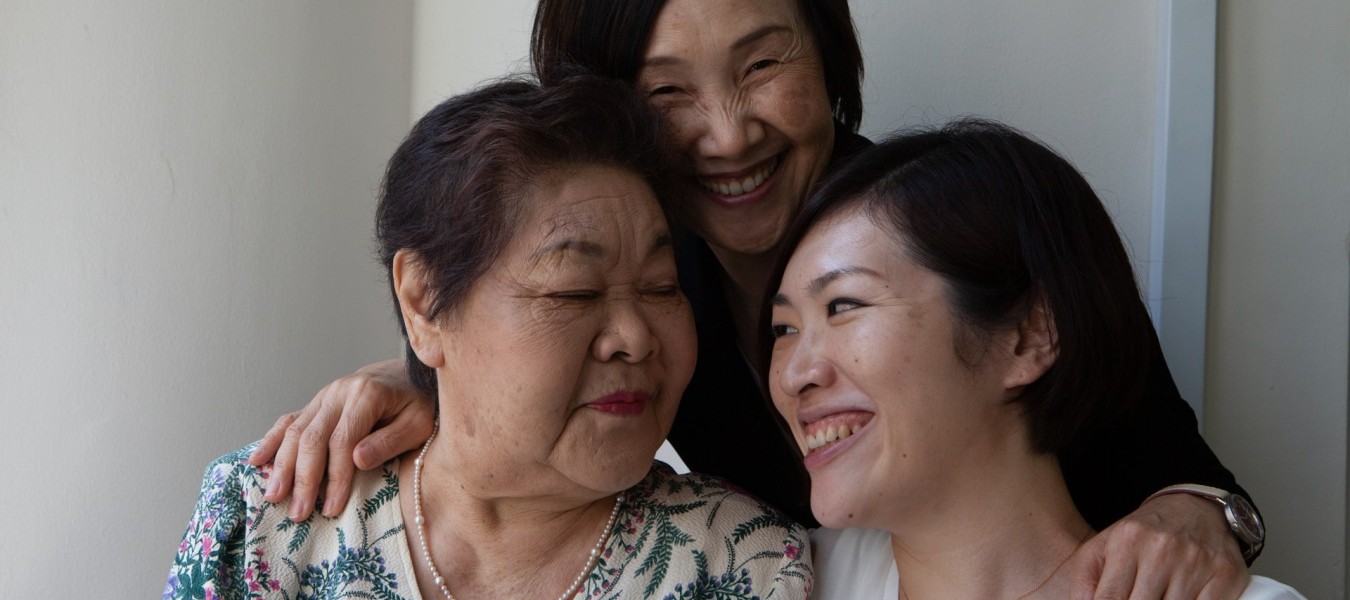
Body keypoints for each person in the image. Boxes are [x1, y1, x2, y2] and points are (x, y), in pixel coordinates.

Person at [248, 1, 1261, 595]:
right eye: (666, 91)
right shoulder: (655, 284)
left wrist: (1195, 513)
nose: (729, 134)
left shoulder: (942, 231)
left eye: (764, 62)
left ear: (827, 59)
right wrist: (435, 368)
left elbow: (1180, 464)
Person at [164, 75, 812, 600]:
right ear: (423, 303)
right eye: (574, 292)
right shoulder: (265, 522)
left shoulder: (742, 562)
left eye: (662, 286)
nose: (635, 338)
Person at [771, 120, 1300, 599]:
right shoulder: (770, 577)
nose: (793, 375)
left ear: (1030, 337)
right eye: (784, 328)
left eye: (843, 305)